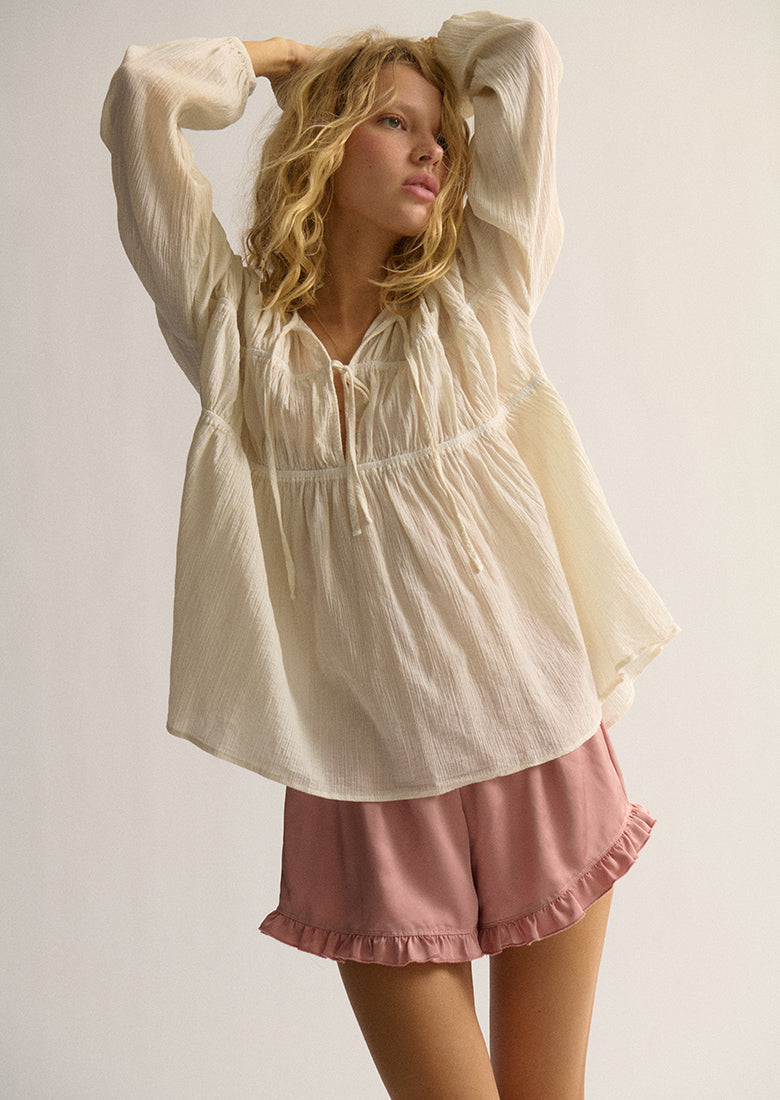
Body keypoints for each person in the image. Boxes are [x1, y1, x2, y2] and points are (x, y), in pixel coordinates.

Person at [102, 13, 679, 1097]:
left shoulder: (477, 299)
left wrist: (414, 73)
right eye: (394, 123)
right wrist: (285, 64)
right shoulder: (238, 339)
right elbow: (142, 99)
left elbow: (525, 57)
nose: (434, 151)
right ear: (324, 141)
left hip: (539, 749)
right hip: (365, 791)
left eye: (442, 134)